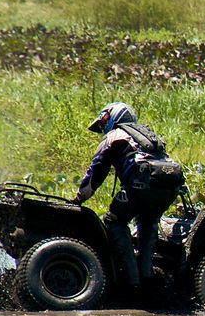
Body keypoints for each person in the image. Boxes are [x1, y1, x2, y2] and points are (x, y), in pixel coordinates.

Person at [70, 102, 185, 289]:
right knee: (148, 222)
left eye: (103, 123)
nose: (102, 129)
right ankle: (148, 278)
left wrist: (78, 199)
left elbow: (95, 173)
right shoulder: (149, 136)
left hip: (139, 187)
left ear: (113, 116)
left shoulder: (114, 136)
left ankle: (130, 282)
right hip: (168, 189)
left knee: (113, 221)